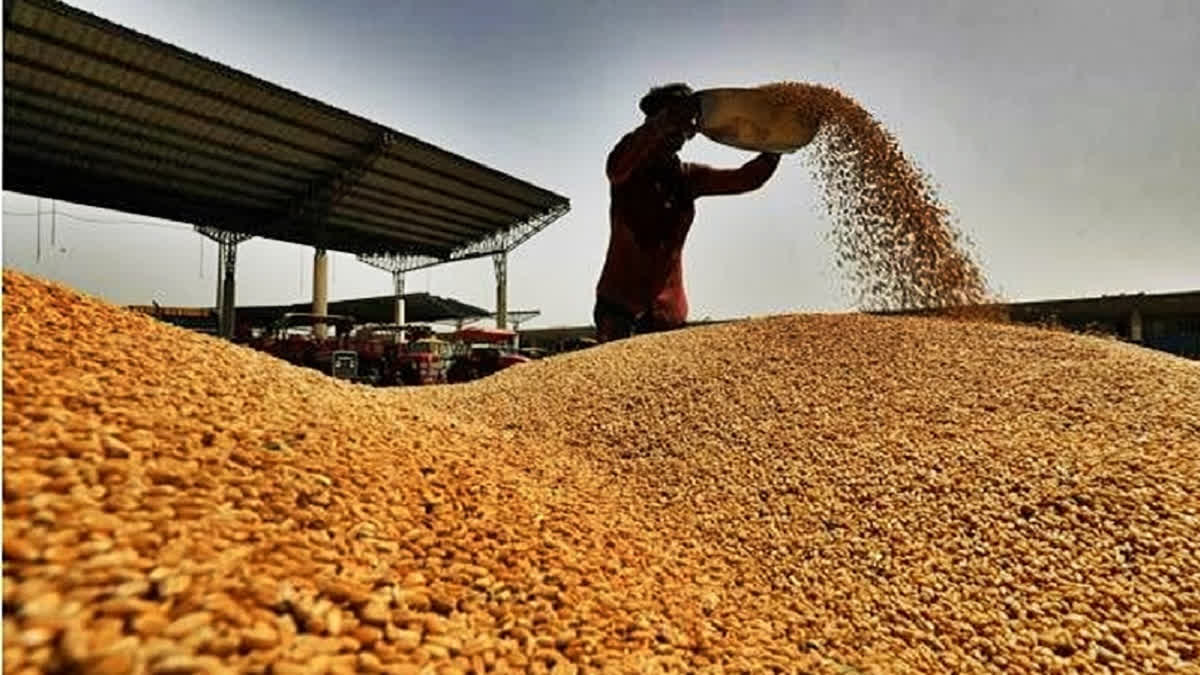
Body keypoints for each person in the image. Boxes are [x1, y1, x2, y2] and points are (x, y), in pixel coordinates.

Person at [594, 82, 782, 343]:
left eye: (684, 128)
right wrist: (664, 122)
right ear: (653, 121)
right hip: (619, 310)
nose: (680, 135)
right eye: (675, 124)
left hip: (667, 315)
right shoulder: (629, 167)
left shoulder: (687, 178)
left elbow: (745, 179)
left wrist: (777, 145)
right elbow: (616, 168)